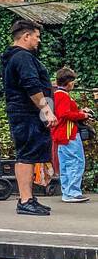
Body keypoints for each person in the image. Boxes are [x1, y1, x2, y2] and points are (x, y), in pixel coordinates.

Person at [1, 18, 57, 216]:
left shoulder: (13, 57)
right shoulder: (23, 58)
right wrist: (46, 110)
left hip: (23, 112)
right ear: (26, 36)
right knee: (26, 155)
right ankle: (25, 200)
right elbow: (31, 85)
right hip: (26, 113)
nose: (38, 41)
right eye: (36, 36)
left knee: (28, 154)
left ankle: (28, 198)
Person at [52, 66, 91, 203]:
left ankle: (67, 191)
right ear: (68, 82)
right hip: (69, 134)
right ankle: (73, 192)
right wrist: (83, 115)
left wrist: (79, 111)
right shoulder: (63, 96)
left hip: (61, 134)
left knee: (66, 163)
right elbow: (65, 114)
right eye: (73, 81)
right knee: (76, 162)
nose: (74, 84)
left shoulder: (57, 94)